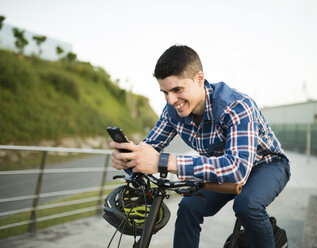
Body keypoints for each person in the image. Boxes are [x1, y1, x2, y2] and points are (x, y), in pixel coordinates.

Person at [109, 45, 291, 248]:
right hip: (221, 167)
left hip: (266, 164)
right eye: (165, 92)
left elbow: (237, 169)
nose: (171, 100)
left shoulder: (236, 106)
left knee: (247, 205)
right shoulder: (172, 110)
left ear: (199, 79)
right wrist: (130, 158)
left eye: (177, 90)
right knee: (188, 206)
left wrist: (164, 162)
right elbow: (150, 147)